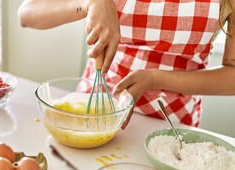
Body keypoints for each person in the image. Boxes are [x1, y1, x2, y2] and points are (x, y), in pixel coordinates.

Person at [17, 0, 235, 129]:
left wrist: (154, 79)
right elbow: (27, 12)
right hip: (94, 111)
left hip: (172, 128)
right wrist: (91, 1)